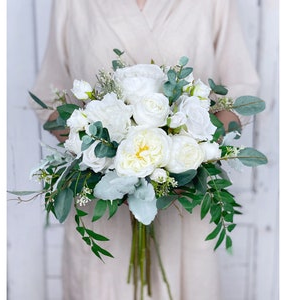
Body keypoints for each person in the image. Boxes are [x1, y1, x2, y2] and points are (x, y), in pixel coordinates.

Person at [30, 0, 259, 299]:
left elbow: (241, 90)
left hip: (183, 204)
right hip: (101, 211)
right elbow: (51, 99)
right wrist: (101, 161)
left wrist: (191, 155)